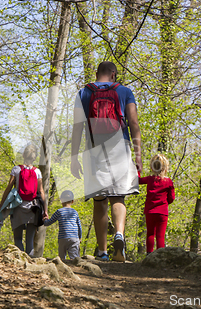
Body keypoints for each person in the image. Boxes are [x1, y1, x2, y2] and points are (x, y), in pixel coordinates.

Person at [71, 61, 142, 262]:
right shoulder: (125, 91)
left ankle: (102, 252)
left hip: (93, 148)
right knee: (118, 197)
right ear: (113, 74)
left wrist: (74, 158)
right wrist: (138, 155)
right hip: (120, 146)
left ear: (97, 73)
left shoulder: (84, 93)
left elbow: (77, 127)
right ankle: (119, 235)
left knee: (99, 200)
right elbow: (134, 123)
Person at [0, 144, 47, 256]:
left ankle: (20, 264)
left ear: (23, 155)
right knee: (30, 242)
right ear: (34, 158)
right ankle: (30, 263)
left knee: (18, 239)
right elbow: (41, 192)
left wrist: (0, 207)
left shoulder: (16, 169)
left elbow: (8, 189)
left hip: (17, 207)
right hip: (33, 209)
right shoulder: (37, 172)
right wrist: (45, 210)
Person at [138, 154, 175, 254]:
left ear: (152, 167)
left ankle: (149, 254)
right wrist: (166, 201)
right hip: (162, 213)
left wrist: (137, 171)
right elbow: (171, 198)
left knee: (150, 233)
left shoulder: (150, 179)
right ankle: (160, 255)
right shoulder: (168, 182)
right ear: (165, 168)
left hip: (150, 211)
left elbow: (138, 180)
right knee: (160, 235)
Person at [43, 190, 82, 259]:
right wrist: (80, 237)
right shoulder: (75, 212)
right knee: (74, 258)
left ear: (61, 200)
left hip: (63, 237)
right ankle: (74, 268)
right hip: (74, 238)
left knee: (62, 258)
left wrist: (44, 220)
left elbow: (49, 222)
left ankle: (62, 268)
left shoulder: (59, 211)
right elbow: (79, 226)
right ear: (72, 201)